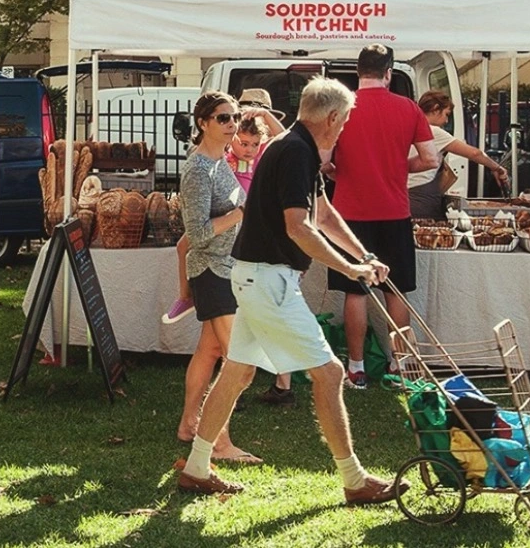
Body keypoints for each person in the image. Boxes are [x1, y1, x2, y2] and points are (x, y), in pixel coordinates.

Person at [176, 77, 410, 506]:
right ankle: (354, 480)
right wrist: (348, 268)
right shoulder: (296, 151)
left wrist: (364, 256)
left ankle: (195, 468)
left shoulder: (293, 147)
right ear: (333, 118)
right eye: (346, 121)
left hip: (255, 276)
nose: (344, 129)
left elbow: (323, 214)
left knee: (237, 373)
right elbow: (298, 225)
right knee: (330, 373)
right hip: (267, 279)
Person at [326, 44, 437, 390]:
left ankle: (356, 368)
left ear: (358, 72)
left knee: (355, 292)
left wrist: (341, 172)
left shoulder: (340, 110)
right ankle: (400, 367)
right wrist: (397, 167)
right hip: (394, 211)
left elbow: (323, 161)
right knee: (396, 292)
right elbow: (431, 159)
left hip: (349, 216)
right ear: (388, 73)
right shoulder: (408, 108)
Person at [174, 91, 261, 465]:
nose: (231, 125)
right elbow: (196, 232)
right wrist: (242, 213)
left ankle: (188, 424)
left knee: (209, 352)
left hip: (225, 268)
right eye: (223, 118)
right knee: (240, 364)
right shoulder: (197, 170)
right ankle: (219, 443)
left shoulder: (218, 161)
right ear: (203, 123)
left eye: (235, 118)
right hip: (212, 270)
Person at [408, 90, 509, 219]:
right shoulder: (433, 131)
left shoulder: (409, 126)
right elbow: (474, 153)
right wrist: (497, 168)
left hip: (406, 193)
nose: (446, 120)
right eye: (446, 114)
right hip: (422, 197)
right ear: (435, 109)